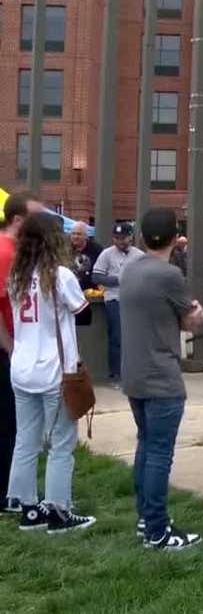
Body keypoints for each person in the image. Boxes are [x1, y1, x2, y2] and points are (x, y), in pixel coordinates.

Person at [121, 208, 203, 550]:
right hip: (162, 377)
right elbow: (190, 321)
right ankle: (157, 530)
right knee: (159, 453)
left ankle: (146, 519)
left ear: (141, 236)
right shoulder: (169, 275)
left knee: (146, 446)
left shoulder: (131, 269)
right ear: (175, 237)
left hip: (135, 375)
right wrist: (197, 313)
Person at [6, 212, 95, 532]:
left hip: (21, 367)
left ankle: (26, 507)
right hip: (54, 370)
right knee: (61, 443)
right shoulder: (60, 275)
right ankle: (58, 511)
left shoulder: (15, 274)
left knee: (25, 440)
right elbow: (84, 315)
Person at [0, 192, 44, 515]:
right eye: (35, 217)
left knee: (15, 424)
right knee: (8, 424)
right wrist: (10, 345)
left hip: (14, 346)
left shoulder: (14, 250)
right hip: (6, 348)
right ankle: (7, 495)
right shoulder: (5, 252)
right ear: (18, 220)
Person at [92, 222, 145, 387]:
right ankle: (116, 375)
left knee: (135, 338)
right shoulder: (107, 254)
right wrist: (117, 280)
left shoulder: (139, 255)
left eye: (123, 238)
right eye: (117, 238)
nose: (120, 241)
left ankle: (134, 373)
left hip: (135, 301)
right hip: (114, 299)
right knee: (117, 337)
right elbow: (97, 277)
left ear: (131, 237)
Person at [67, 222, 102, 327]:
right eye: (73, 234)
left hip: (90, 298)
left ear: (86, 236)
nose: (75, 237)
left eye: (79, 234)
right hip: (69, 296)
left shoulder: (97, 250)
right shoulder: (64, 249)